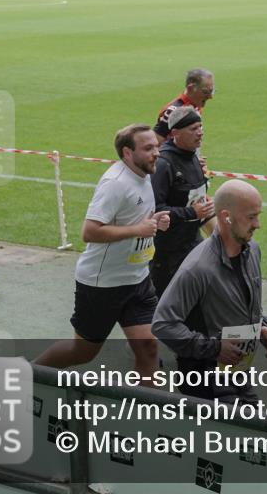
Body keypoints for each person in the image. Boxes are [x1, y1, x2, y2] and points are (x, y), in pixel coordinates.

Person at [35, 124, 169, 380]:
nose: (157, 153)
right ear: (127, 153)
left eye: (157, 146)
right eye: (148, 148)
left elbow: (137, 220)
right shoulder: (115, 184)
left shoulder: (145, 173)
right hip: (102, 285)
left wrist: (155, 221)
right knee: (83, 352)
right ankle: (30, 375)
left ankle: (143, 414)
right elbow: (90, 232)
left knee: (148, 348)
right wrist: (138, 229)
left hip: (137, 280)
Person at [151, 179, 267, 402]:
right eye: (251, 217)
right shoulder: (198, 267)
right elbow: (163, 324)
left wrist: (260, 327)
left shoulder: (252, 251)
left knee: (255, 429)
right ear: (226, 217)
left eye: (258, 215)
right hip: (205, 378)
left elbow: (242, 302)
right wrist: (215, 348)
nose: (258, 224)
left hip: (236, 371)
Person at [149, 106, 215, 297]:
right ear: (175, 133)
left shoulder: (194, 158)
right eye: (193, 128)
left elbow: (195, 197)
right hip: (167, 254)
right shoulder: (163, 164)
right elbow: (154, 210)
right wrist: (192, 213)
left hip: (192, 244)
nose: (200, 132)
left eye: (201, 127)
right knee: (164, 307)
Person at [154, 68, 214, 144]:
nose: (210, 97)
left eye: (211, 91)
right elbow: (156, 143)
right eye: (205, 92)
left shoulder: (195, 106)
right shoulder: (173, 110)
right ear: (190, 88)